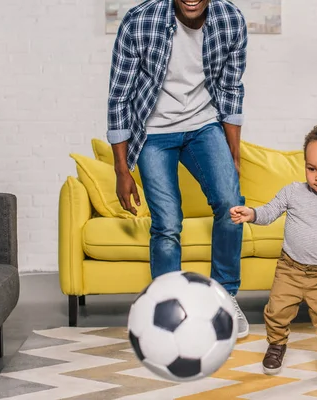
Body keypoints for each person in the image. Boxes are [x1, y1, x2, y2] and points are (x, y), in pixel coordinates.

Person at [106, 0, 250, 338]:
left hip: (204, 124)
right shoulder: (139, 21)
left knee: (231, 203)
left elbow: (231, 89)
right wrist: (122, 169)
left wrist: (233, 154)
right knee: (168, 222)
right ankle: (167, 307)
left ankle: (225, 299)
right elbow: (119, 98)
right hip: (153, 133)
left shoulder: (231, 20)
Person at [229, 123, 317, 385]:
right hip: (289, 269)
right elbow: (270, 212)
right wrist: (252, 214)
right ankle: (276, 345)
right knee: (276, 311)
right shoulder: (292, 192)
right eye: (311, 168)